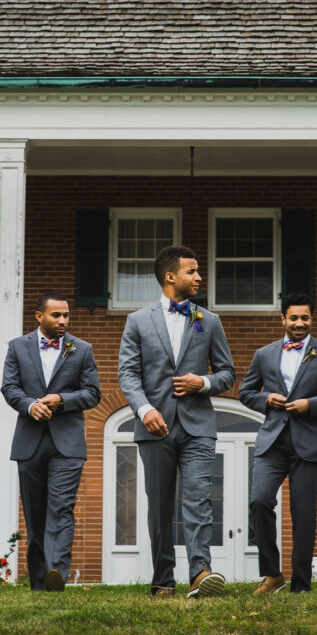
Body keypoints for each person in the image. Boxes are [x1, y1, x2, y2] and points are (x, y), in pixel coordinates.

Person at [118, 245, 235, 598]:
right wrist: (144, 410)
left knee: (199, 497)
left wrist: (205, 382)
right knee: (159, 506)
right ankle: (162, 578)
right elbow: (127, 373)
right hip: (155, 427)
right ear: (171, 277)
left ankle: (200, 572)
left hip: (198, 425)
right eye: (192, 271)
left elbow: (228, 373)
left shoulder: (209, 321)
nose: (199, 277)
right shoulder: (137, 320)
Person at [239, 292, 317, 594]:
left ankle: (301, 585)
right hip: (272, 443)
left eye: (305, 318)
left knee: (303, 514)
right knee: (260, 500)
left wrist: (311, 404)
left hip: (308, 443)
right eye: (294, 317)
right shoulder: (264, 354)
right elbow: (246, 392)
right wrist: (266, 399)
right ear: (283, 319)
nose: (299, 323)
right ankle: (273, 575)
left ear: (311, 319)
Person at [1, 292, 101, 591]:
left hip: (67, 443)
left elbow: (92, 393)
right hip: (29, 440)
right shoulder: (18, 347)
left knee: (61, 508)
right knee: (35, 514)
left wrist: (62, 399)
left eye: (66, 315)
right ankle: (38, 582)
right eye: (56, 315)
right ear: (39, 316)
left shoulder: (81, 349)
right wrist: (30, 406)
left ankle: (57, 570)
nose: (63, 321)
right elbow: (9, 387)